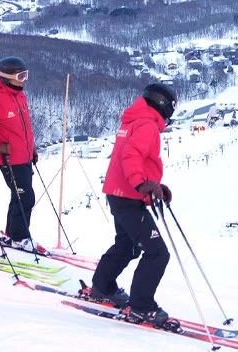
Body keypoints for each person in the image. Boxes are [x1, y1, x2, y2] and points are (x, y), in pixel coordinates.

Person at [85, 83, 178, 327]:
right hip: (128, 197)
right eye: (172, 106)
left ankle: (102, 287)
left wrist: (154, 186)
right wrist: (142, 184)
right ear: (163, 103)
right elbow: (131, 157)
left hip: (121, 193)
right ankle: (141, 306)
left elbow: (135, 159)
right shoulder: (147, 124)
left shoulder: (135, 120)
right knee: (157, 252)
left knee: (127, 245)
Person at [0, 56, 40, 253]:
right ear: (7, 77)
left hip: (23, 156)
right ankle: (19, 237)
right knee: (26, 198)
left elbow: (23, 128)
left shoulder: (19, 95)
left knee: (19, 196)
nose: (24, 80)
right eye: (20, 76)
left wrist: (31, 148)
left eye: (26, 75)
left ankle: (12, 233)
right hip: (9, 159)